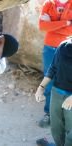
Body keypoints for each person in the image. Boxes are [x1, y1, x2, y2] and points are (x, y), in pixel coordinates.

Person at [38, 0, 72, 128]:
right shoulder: (48, 4)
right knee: (49, 80)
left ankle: (66, 114)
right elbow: (43, 27)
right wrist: (66, 23)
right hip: (50, 47)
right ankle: (49, 113)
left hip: (68, 49)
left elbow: (71, 31)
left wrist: (53, 25)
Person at [35, 38, 72, 146]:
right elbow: (53, 68)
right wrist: (41, 87)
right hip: (57, 92)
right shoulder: (64, 45)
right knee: (56, 129)